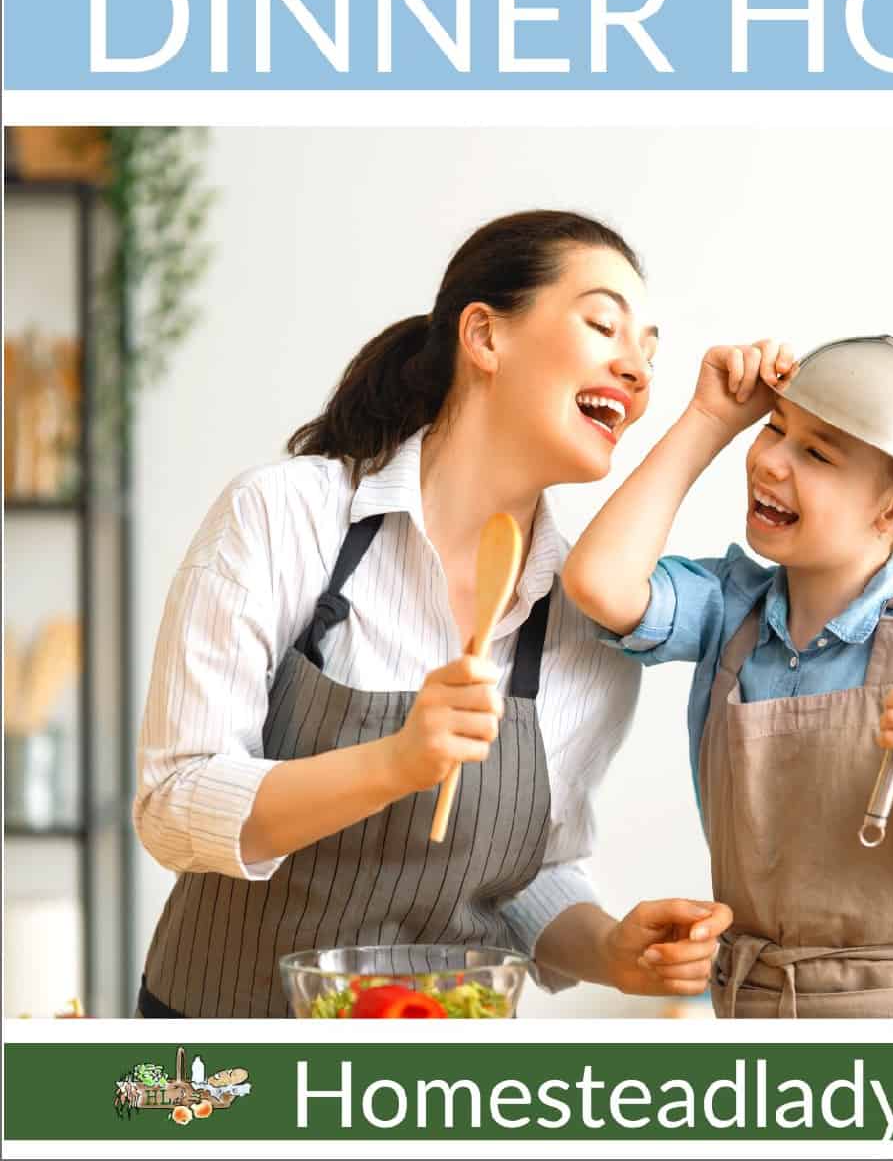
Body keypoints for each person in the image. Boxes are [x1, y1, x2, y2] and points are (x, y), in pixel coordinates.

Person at [134, 210, 731, 1016]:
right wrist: (392, 763)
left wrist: (612, 951)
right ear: (484, 336)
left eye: (650, 354)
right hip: (220, 1056)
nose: (637, 371)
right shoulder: (285, 517)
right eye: (603, 326)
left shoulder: (587, 622)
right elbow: (175, 803)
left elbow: (530, 872)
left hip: (438, 1069)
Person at [562, 334, 893, 1018]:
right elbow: (598, 582)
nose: (770, 461)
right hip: (756, 1021)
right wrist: (709, 421)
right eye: (773, 429)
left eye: (814, 453)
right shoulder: (726, 611)